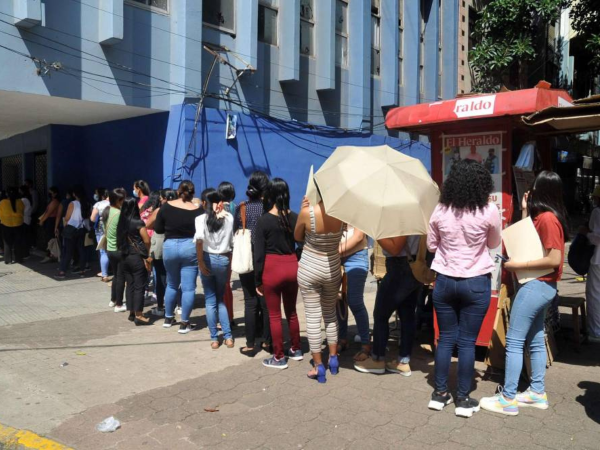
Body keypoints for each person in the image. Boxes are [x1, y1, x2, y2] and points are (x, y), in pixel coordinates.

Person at [481, 171, 568, 416]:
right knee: (535, 340)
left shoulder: (548, 219)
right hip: (541, 286)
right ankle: (536, 391)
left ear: (541, 191)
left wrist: (514, 266)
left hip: (536, 285)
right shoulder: (545, 217)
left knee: (515, 341)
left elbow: (554, 259)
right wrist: (524, 211)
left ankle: (508, 397)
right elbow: (526, 240)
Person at [427, 159, 501, 418]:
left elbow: (431, 246)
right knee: (468, 342)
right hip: (476, 281)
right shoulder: (489, 210)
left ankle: (439, 394)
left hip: (445, 280)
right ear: (482, 183)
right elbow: (493, 243)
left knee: (446, 338)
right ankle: (463, 398)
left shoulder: (440, 209)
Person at [353, 235, 421, 376]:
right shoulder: (413, 215)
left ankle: (377, 359)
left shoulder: (400, 215)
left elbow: (395, 248)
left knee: (381, 315)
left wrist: (378, 235)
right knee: (407, 316)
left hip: (399, 266)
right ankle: (403, 362)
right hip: (412, 264)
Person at [253, 178, 301, 368]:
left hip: (272, 267)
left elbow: (258, 255)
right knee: (292, 312)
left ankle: (279, 357)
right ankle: (296, 349)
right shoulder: (295, 217)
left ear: (270, 195)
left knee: (274, 315)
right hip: (292, 265)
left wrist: (258, 280)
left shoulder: (263, 220)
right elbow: (302, 242)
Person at [295, 199, 344, 383]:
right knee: (330, 313)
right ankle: (333, 359)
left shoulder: (308, 213)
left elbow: (297, 236)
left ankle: (318, 367)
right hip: (331, 267)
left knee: (313, 316)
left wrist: (302, 211)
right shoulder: (341, 214)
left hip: (310, 266)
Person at [154, 180, 203, 334]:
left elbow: (158, 229)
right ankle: (185, 322)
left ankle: (168, 318)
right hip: (190, 246)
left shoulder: (166, 206)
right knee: (188, 288)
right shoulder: (197, 210)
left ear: (177, 191)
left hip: (169, 246)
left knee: (172, 284)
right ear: (192, 193)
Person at [235, 171, 272, 356]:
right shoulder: (268, 208)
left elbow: (236, 232)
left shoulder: (241, 208)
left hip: (246, 260)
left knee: (250, 302)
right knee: (266, 304)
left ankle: (250, 345)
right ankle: (267, 342)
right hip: (265, 259)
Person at [195, 190, 235, 348]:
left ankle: (214, 338)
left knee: (210, 301)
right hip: (224, 259)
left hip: (207, 258)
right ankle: (228, 336)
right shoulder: (229, 218)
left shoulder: (200, 219)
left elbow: (199, 241)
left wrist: (200, 262)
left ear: (205, 203)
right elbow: (232, 242)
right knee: (220, 300)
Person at [337, 226, 371, 361]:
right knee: (339, 300)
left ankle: (366, 343)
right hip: (337, 258)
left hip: (356, 256)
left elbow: (358, 237)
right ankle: (342, 338)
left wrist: (335, 251)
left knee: (355, 301)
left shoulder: (359, 209)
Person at [117, 197, 152, 325]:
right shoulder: (138, 222)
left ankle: (131, 312)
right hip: (137, 257)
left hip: (124, 256)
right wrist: (147, 253)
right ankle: (139, 314)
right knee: (139, 286)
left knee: (130, 284)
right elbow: (147, 240)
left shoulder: (121, 222)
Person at [146, 189, 177, 317]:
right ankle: (176, 305)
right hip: (176, 242)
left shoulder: (159, 211)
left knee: (160, 276)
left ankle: (160, 306)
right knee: (175, 277)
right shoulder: (180, 209)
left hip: (160, 243)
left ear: (164, 198)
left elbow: (148, 224)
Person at [56, 186, 91, 279]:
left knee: (68, 251)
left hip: (71, 229)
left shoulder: (73, 203)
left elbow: (67, 217)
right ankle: (82, 271)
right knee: (81, 250)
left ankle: (62, 271)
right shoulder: (87, 203)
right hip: (82, 229)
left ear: (75, 194)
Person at [105, 188, 128, 312]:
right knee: (120, 277)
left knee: (115, 275)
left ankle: (113, 300)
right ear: (119, 200)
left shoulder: (107, 211)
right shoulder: (119, 214)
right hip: (119, 249)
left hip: (109, 249)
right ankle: (119, 304)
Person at [218, 181, 237, 325]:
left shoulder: (215, 209)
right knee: (226, 285)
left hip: (215, 250)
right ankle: (229, 317)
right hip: (230, 249)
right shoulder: (234, 207)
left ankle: (222, 318)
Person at [584, 186, 600, 343]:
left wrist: (585, 234)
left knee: (594, 294)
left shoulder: (597, 212)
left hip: (598, 259)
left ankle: (596, 331)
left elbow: (597, 236)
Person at [0, 187, 25, 264]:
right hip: (18, 224)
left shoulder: (3, 202)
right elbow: (22, 211)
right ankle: (19, 259)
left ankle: (8, 260)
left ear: (7, 194)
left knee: (7, 242)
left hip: (6, 224)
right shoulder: (20, 202)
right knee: (18, 242)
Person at [91, 188, 110, 281]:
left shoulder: (98, 204)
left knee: (103, 251)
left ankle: (105, 274)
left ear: (102, 195)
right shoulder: (115, 203)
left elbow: (92, 218)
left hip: (101, 230)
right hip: (113, 229)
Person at [39, 187, 61, 263]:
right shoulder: (52, 201)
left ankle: (50, 255)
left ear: (55, 193)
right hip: (50, 221)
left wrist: (41, 221)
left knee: (50, 240)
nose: (49, 194)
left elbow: (48, 213)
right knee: (49, 239)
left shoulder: (55, 202)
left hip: (51, 221)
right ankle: (51, 255)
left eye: (51, 192)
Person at [19, 185, 32, 259]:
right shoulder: (27, 199)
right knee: (25, 237)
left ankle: (25, 253)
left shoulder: (23, 200)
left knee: (23, 238)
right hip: (26, 219)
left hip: (24, 219)